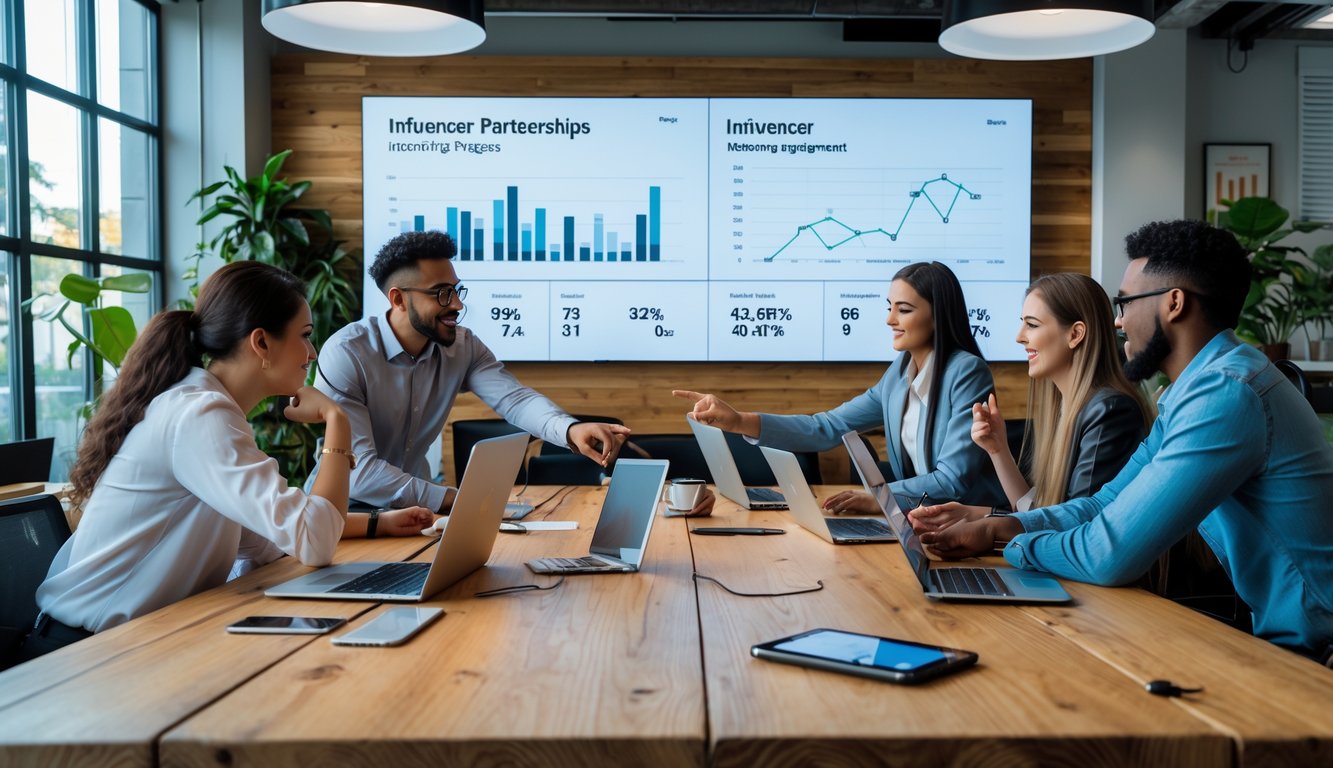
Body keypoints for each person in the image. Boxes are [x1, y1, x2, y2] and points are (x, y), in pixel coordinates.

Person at [920, 220, 1333, 662]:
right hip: (1285, 641)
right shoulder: (1192, 391)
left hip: (1314, 656)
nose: (1117, 321)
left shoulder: (1227, 394)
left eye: (1125, 303)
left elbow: (1109, 553)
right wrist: (1004, 525)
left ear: (1174, 304)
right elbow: (1105, 504)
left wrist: (1010, 544)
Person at [18, 262, 418, 662]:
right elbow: (314, 542)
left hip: (135, 643)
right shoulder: (201, 414)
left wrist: (377, 523)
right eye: (305, 336)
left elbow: (268, 538)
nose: (312, 353)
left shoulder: (206, 409)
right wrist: (338, 422)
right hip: (82, 656)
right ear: (261, 343)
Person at [310, 230, 714, 516]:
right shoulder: (348, 354)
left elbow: (515, 399)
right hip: (344, 515)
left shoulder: (461, 346)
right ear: (398, 299)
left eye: (457, 290)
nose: (456, 305)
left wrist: (569, 430)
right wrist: (456, 499)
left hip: (415, 514)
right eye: (441, 294)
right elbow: (358, 473)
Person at [675, 261, 1004, 510]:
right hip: (925, 521)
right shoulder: (900, 375)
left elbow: (953, 479)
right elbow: (826, 428)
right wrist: (738, 421)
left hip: (975, 528)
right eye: (889, 308)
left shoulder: (966, 372)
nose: (890, 319)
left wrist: (882, 498)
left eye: (903, 310)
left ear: (939, 316)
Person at [911, 272, 1150, 529]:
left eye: (1032, 325)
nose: (1019, 336)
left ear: (1075, 334)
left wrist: (988, 526)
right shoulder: (1068, 407)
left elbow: (1077, 528)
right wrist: (997, 450)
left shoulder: (1110, 411)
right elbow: (1044, 513)